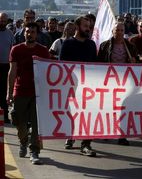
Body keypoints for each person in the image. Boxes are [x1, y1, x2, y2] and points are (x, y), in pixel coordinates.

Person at [7, 22, 50, 165]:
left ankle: (34, 151)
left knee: (37, 123)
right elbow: (12, 72)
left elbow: (48, 72)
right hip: (20, 90)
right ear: (23, 33)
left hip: (38, 93)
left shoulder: (43, 51)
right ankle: (23, 141)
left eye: (32, 31)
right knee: (18, 121)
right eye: (27, 31)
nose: (29, 34)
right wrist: (9, 92)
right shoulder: (16, 50)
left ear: (37, 34)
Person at [59, 16, 97, 157]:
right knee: (73, 114)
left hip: (89, 88)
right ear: (77, 26)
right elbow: (61, 66)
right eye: (85, 25)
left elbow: (96, 67)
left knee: (89, 115)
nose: (88, 28)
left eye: (89, 26)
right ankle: (71, 135)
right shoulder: (67, 44)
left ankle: (86, 144)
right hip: (72, 87)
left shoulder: (91, 45)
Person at [98, 22, 138, 146]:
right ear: (112, 31)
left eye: (122, 30)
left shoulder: (130, 47)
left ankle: (122, 135)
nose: (119, 33)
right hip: (109, 82)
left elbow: (137, 63)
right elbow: (99, 63)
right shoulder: (104, 46)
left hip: (125, 82)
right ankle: (107, 131)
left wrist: (134, 61)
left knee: (123, 109)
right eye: (117, 30)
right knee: (108, 108)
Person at [0, 13, 14, 123]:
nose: (2, 23)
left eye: (4, 21)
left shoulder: (10, 34)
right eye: (1, 21)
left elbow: (12, 50)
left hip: (6, 66)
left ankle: (4, 115)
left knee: (5, 91)